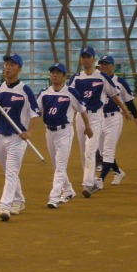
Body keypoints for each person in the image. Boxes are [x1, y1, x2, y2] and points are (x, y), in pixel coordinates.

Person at [0, 53, 41, 221]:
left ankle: (5, 205)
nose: (8, 67)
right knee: (9, 172)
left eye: (12, 65)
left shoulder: (25, 90)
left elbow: (35, 113)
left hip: (17, 138)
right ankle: (19, 200)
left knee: (11, 172)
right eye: (6, 64)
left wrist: (29, 132)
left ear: (19, 69)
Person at [68, 46, 132, 198]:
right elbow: (70, 98)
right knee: (84, 150)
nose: (85, 59)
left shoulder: (102, 77)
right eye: (83, 57)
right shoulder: (76, 78)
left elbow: (114, 94)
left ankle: (88, 184)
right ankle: (88, 179)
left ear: (93, 59)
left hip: (96, 116)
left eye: (88, 56)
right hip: (80, 117)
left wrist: (124, 109)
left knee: (90, 150)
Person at [36, 62, 93, 208]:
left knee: (60, 166)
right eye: (52, 72)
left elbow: (82, 111)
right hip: (49, 132)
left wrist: (88, 127)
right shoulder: (44, 93)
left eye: (57, 72)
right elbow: (35, 112)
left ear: (64, 76)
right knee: (57, 165)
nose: (54, 75)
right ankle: (68, 191)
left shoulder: (71, 92)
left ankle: (53, 198)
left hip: (65, 133)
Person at [96, 55, 137, 186]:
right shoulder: (96, 81)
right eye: (102, 64)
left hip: (114, 118)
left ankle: (100, 181)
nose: (104, 67)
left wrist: (135, 116)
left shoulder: (120, 82)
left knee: (108, 150)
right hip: (98, 119)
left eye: (107, 64)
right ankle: (118, 172)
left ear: (113, 67)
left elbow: (129, 101)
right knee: (103, 151)